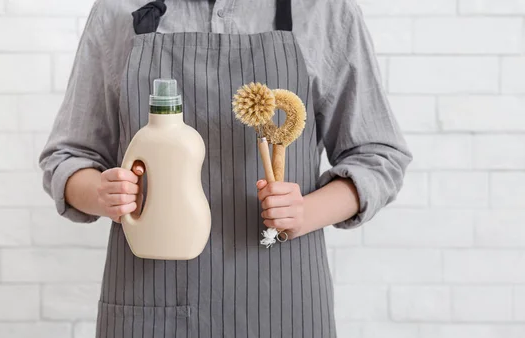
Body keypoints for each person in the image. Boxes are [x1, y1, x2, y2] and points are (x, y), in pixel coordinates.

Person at [39, 0, 412, 337]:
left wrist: (306, 212)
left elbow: (377, 156)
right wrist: (101, 193)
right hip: (149, 304)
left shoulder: (325, 13)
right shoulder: (118, 11)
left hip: (282, 308)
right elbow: (68, 156)